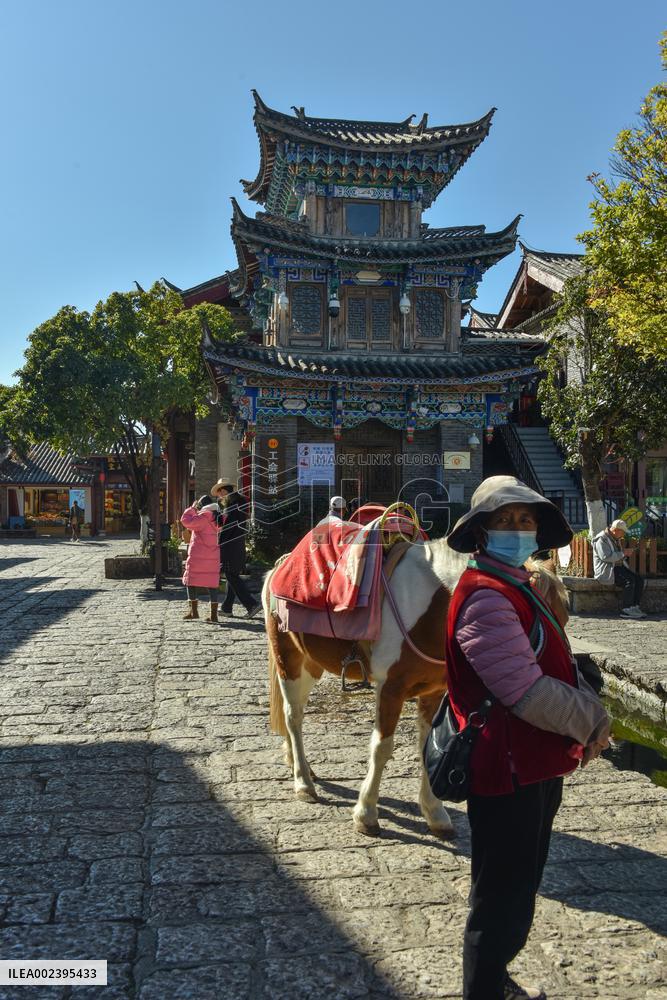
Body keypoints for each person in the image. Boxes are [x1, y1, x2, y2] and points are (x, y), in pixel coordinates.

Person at [446, 475, 610, 1000]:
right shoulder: (485, 599)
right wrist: (595, 722)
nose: (517, 529)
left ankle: (495, 979)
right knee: (500, 895)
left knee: (517, 885)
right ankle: (484, 990)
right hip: (506, 769)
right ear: (480, 533)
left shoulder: (515, 584)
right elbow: (525, 693)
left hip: (533, 764)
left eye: (526, 520)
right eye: (503, 521)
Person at [210, 479, 261, 619]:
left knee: (231, 575)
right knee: (232, 575)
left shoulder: (234, 504)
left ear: (224, 491)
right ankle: (227, 607)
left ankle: (251, 604)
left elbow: (228, 526)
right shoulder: (236, 502)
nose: (219, 497)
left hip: (230, 544)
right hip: (236, 544)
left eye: (220, 494)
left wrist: (219, 542)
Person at [592, 518, 646, 619]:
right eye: (622, 532)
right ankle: (626, 609)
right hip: (607, 570)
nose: (623, 535)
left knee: (639, 579)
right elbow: (606, 557)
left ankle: (634, 607)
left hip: (617, 567)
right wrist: (623, 553)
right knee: (629, 581)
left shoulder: (614, 538)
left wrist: (624, 553)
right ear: (616, 530)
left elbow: (617, 555)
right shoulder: (601, 539)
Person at [180, 496, 222, 623]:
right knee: (212, 583)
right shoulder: (218, 518)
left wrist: (192, 508)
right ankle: (214, 615)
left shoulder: (202, 517)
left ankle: (194, 612)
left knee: (190, 581)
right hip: (213, 556)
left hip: (198, 555)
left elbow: (185, 521)